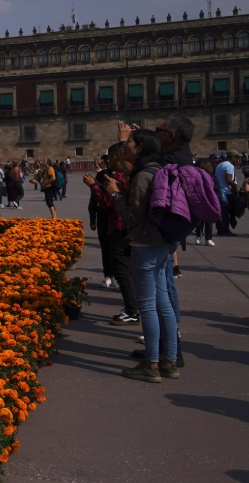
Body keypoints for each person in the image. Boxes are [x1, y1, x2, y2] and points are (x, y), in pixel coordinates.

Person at [106, 129, 178, 382]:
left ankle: (151, 365)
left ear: (141, 148)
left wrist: (115, 194)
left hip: (145, 246)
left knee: (147, 307)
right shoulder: (159, 171)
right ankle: (169, 360)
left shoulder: (142, 177)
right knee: (164, 305)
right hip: (162, 245)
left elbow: (133, 217)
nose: (124, 145)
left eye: (129, 142)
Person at [83, 142, 138, 325]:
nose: (107, 163)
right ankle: (132, 307)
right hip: (125, 227)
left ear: (115, 158)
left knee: (122, 271)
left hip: (119, 227)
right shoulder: (128, 176)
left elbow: (108, 202)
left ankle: (132, 310)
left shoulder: (118, 177)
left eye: (108, 159)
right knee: (128, 270)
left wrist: (93, 185)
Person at [88, 154, 116, 288]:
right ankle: (108, 275)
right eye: (105, 159)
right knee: (105, 248)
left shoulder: (126, 175)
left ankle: (121, 277)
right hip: (103, 216)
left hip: (119, 217)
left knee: (119, 249)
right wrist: (92, 216)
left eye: (109, 158)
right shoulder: (101, 175)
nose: (107, 161)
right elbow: (94, 197)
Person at [194, 157, 217, 245]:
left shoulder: (212, 177)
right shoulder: (196, 176)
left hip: (209, 200)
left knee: (209, 221)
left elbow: (216, 187)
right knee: (199, 220)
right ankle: (198, 236)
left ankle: (208, 238)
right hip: (199, 199)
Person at [214, 152, 238, 236]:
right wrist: (236, 187)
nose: (237, 160)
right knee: (226, 212)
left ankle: (219, 229)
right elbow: (229, 179)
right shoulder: (229, 166)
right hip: (226, 192)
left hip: (219, 191)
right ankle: (225, 230)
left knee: (220, 211)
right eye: (236, 157)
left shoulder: (220, 165)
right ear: (232, 157)